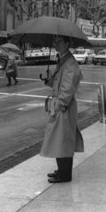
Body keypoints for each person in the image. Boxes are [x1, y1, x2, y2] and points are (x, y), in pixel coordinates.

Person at [41, 35, 84, 183]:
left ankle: (65, 174)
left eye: (59, 42)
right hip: (60, 106)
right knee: (59, 139)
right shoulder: (63, 61)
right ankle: (62, 170)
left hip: (64, 107)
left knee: (63, 139)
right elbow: (60, 83)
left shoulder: (70, 63)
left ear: (67, 43)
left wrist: (59, 105)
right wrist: (49, 81)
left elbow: (67, 89)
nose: (56, 44)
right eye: (55, 42)